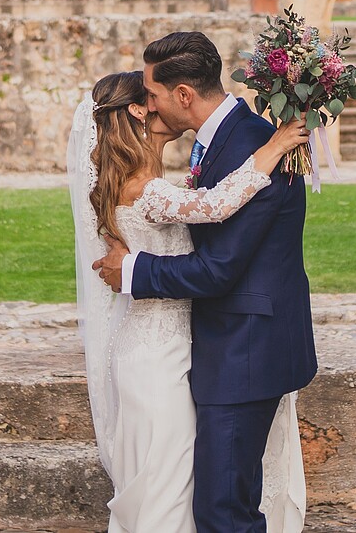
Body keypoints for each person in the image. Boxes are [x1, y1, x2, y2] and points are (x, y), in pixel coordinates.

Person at [83, 31, 319, 533]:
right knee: (204, 503)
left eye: (153, 94)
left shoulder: (253, 144)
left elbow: (218, 267)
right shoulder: (225, 149)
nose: (149, 105)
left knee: (220, 510)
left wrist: (132, 270)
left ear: (183, 95)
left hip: (242, 349)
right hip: (187, 352)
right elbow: (210, 213)